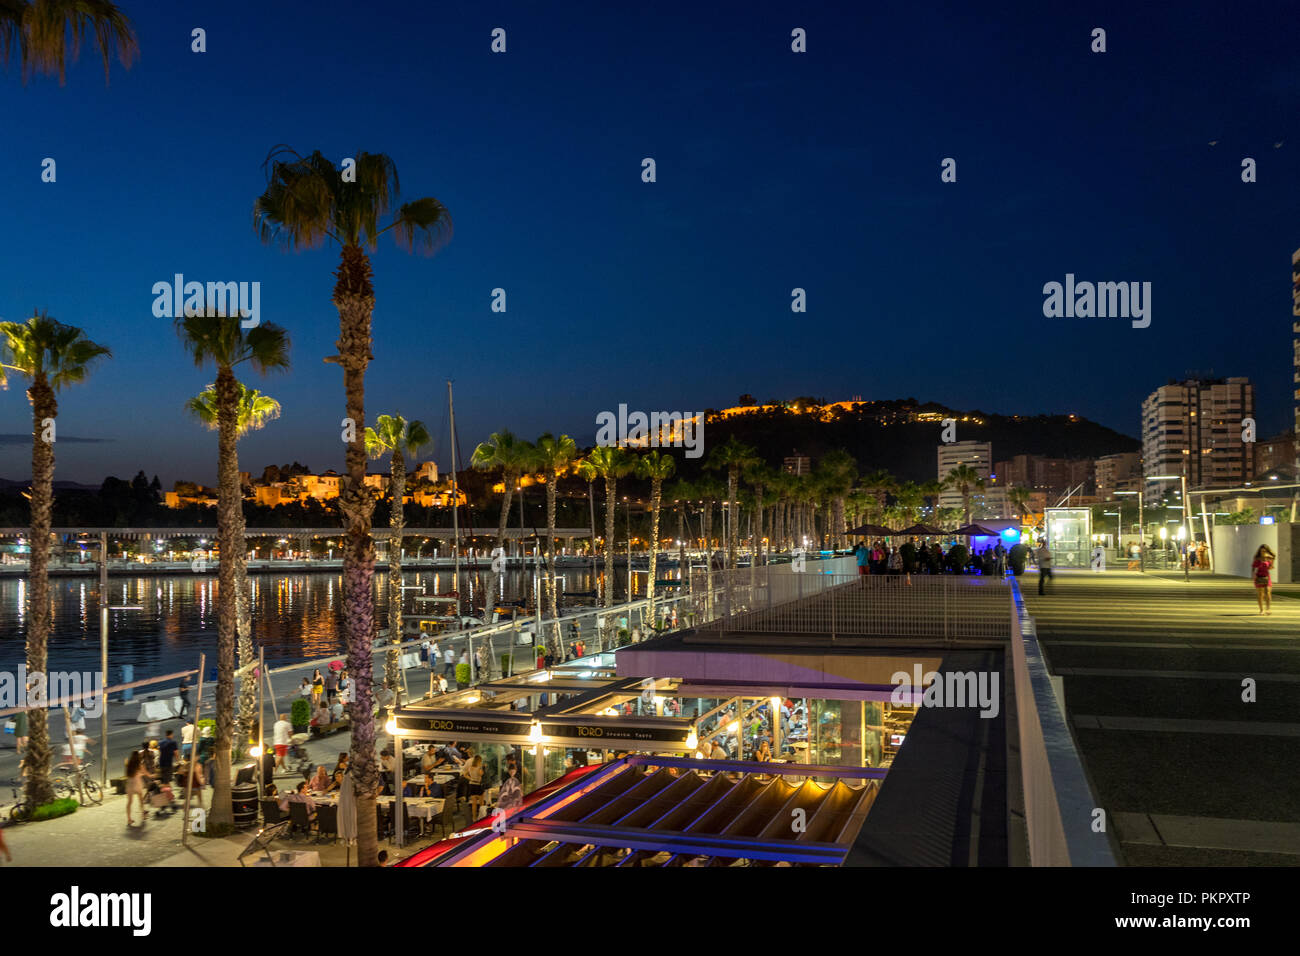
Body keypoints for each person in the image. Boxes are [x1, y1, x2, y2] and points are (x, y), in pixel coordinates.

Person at [124, 750, 152, 826]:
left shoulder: (128, 763)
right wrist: (152, 776)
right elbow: (146, 773)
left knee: (129, 802)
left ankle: (129, 819)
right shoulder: (140, 764)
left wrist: (140, 774)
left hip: (129, 784)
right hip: (137, 783)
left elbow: (130, 774)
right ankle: (143, 815)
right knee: (140, 800)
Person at [1252, 545, 1275, 614]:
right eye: (1262, 551)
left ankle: (1268, 609)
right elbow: (1253, 569)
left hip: (1267, 577)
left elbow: (1270, 568)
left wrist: (1272, 560)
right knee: (1260, 594)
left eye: (1265, 551)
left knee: (1268, 593)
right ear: (1260, 551)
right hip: (1258, 577)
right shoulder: (1257, 559)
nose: (1263, 552)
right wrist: (1254, 576)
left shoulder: (1269, 558)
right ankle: (1261, 610)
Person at [464, 753, 486, 820]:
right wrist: (483, 768)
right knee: (481, 803)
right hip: (478, 785)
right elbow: (481, 774)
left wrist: (470, 778)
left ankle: (474, 818)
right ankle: (481, 817)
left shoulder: (470, 768)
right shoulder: (479, 768)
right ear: (479, 761)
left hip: (471, 784)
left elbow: (465, 775)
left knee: (474, 803)